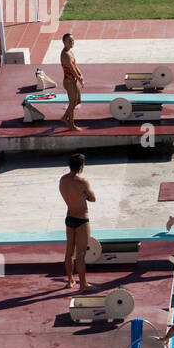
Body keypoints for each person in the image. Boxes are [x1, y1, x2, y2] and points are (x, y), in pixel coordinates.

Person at [58, 152, 95, 291]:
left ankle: (70, 280)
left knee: (69, 252)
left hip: (69, 217)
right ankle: (83, 284)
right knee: (80, 254)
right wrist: (83, 196)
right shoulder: (82, 182)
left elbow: (65, 194)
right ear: (81, 166)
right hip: (82, 219)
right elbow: (93, 198)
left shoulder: (63, 180)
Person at [60, 33, 84, 130]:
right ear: (64, 42)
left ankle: (65, 117)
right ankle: (71, 124)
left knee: (77, 101)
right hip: (69, 81)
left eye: (73, 40)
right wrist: (79, 79)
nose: (72, 42)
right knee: (72, 102)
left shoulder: (70, 51)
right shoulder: (65, 54)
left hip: (74, 80)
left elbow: (75, 65)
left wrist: (81, 75)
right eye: (69, 41)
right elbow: (72, 69)